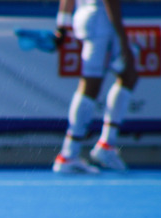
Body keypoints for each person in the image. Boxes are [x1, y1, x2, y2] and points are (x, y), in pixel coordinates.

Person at [52, 0, 139, 173]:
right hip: (101, 22)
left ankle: (106, 144)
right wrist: (122, 38)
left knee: (129, 75)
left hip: (87, 18)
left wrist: (61, 25)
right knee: (91, 85)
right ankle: (69, 154)